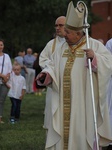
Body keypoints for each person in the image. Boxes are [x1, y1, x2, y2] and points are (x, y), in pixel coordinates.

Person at [36, 1, 112, 150]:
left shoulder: (94, 45)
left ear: (79, 33)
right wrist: (46, 75)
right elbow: (52, 65)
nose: (64, 35)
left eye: (68, 33)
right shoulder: (61, 48)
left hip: (84, 102)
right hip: (63, 100)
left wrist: (95, 58)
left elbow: (109, 63)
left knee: (82, 132)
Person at [39, 16, 66, 129]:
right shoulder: (51, 44)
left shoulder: (76, 43)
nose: (57, 28)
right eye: (56, 25)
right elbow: (43, 60)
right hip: (54, 85)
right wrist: (52, 67)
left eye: (60, 25)